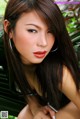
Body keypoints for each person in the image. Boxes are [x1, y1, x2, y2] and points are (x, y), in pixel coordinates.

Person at [3, 0, 80, 119]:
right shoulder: (8, 53)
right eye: (32, 30)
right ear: (9, 28)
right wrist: (35, 107)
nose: (43, 43)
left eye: (50, 31)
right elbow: (26, 88)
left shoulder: (59, 72)